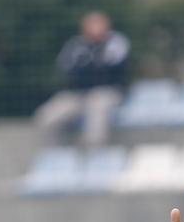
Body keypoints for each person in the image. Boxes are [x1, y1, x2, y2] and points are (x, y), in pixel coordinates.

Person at [34, 10, 130, 148]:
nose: (95, 29)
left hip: (107, 91)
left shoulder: (116, 42)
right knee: (46, 117)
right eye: (92, 24)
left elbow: (113, 69)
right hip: (77, 94)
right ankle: (59, 155)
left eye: (99, 24)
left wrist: (87, 67)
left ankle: (94, 155)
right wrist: (91, 67)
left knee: (97, 110)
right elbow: (67, 68)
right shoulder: (75, 45)